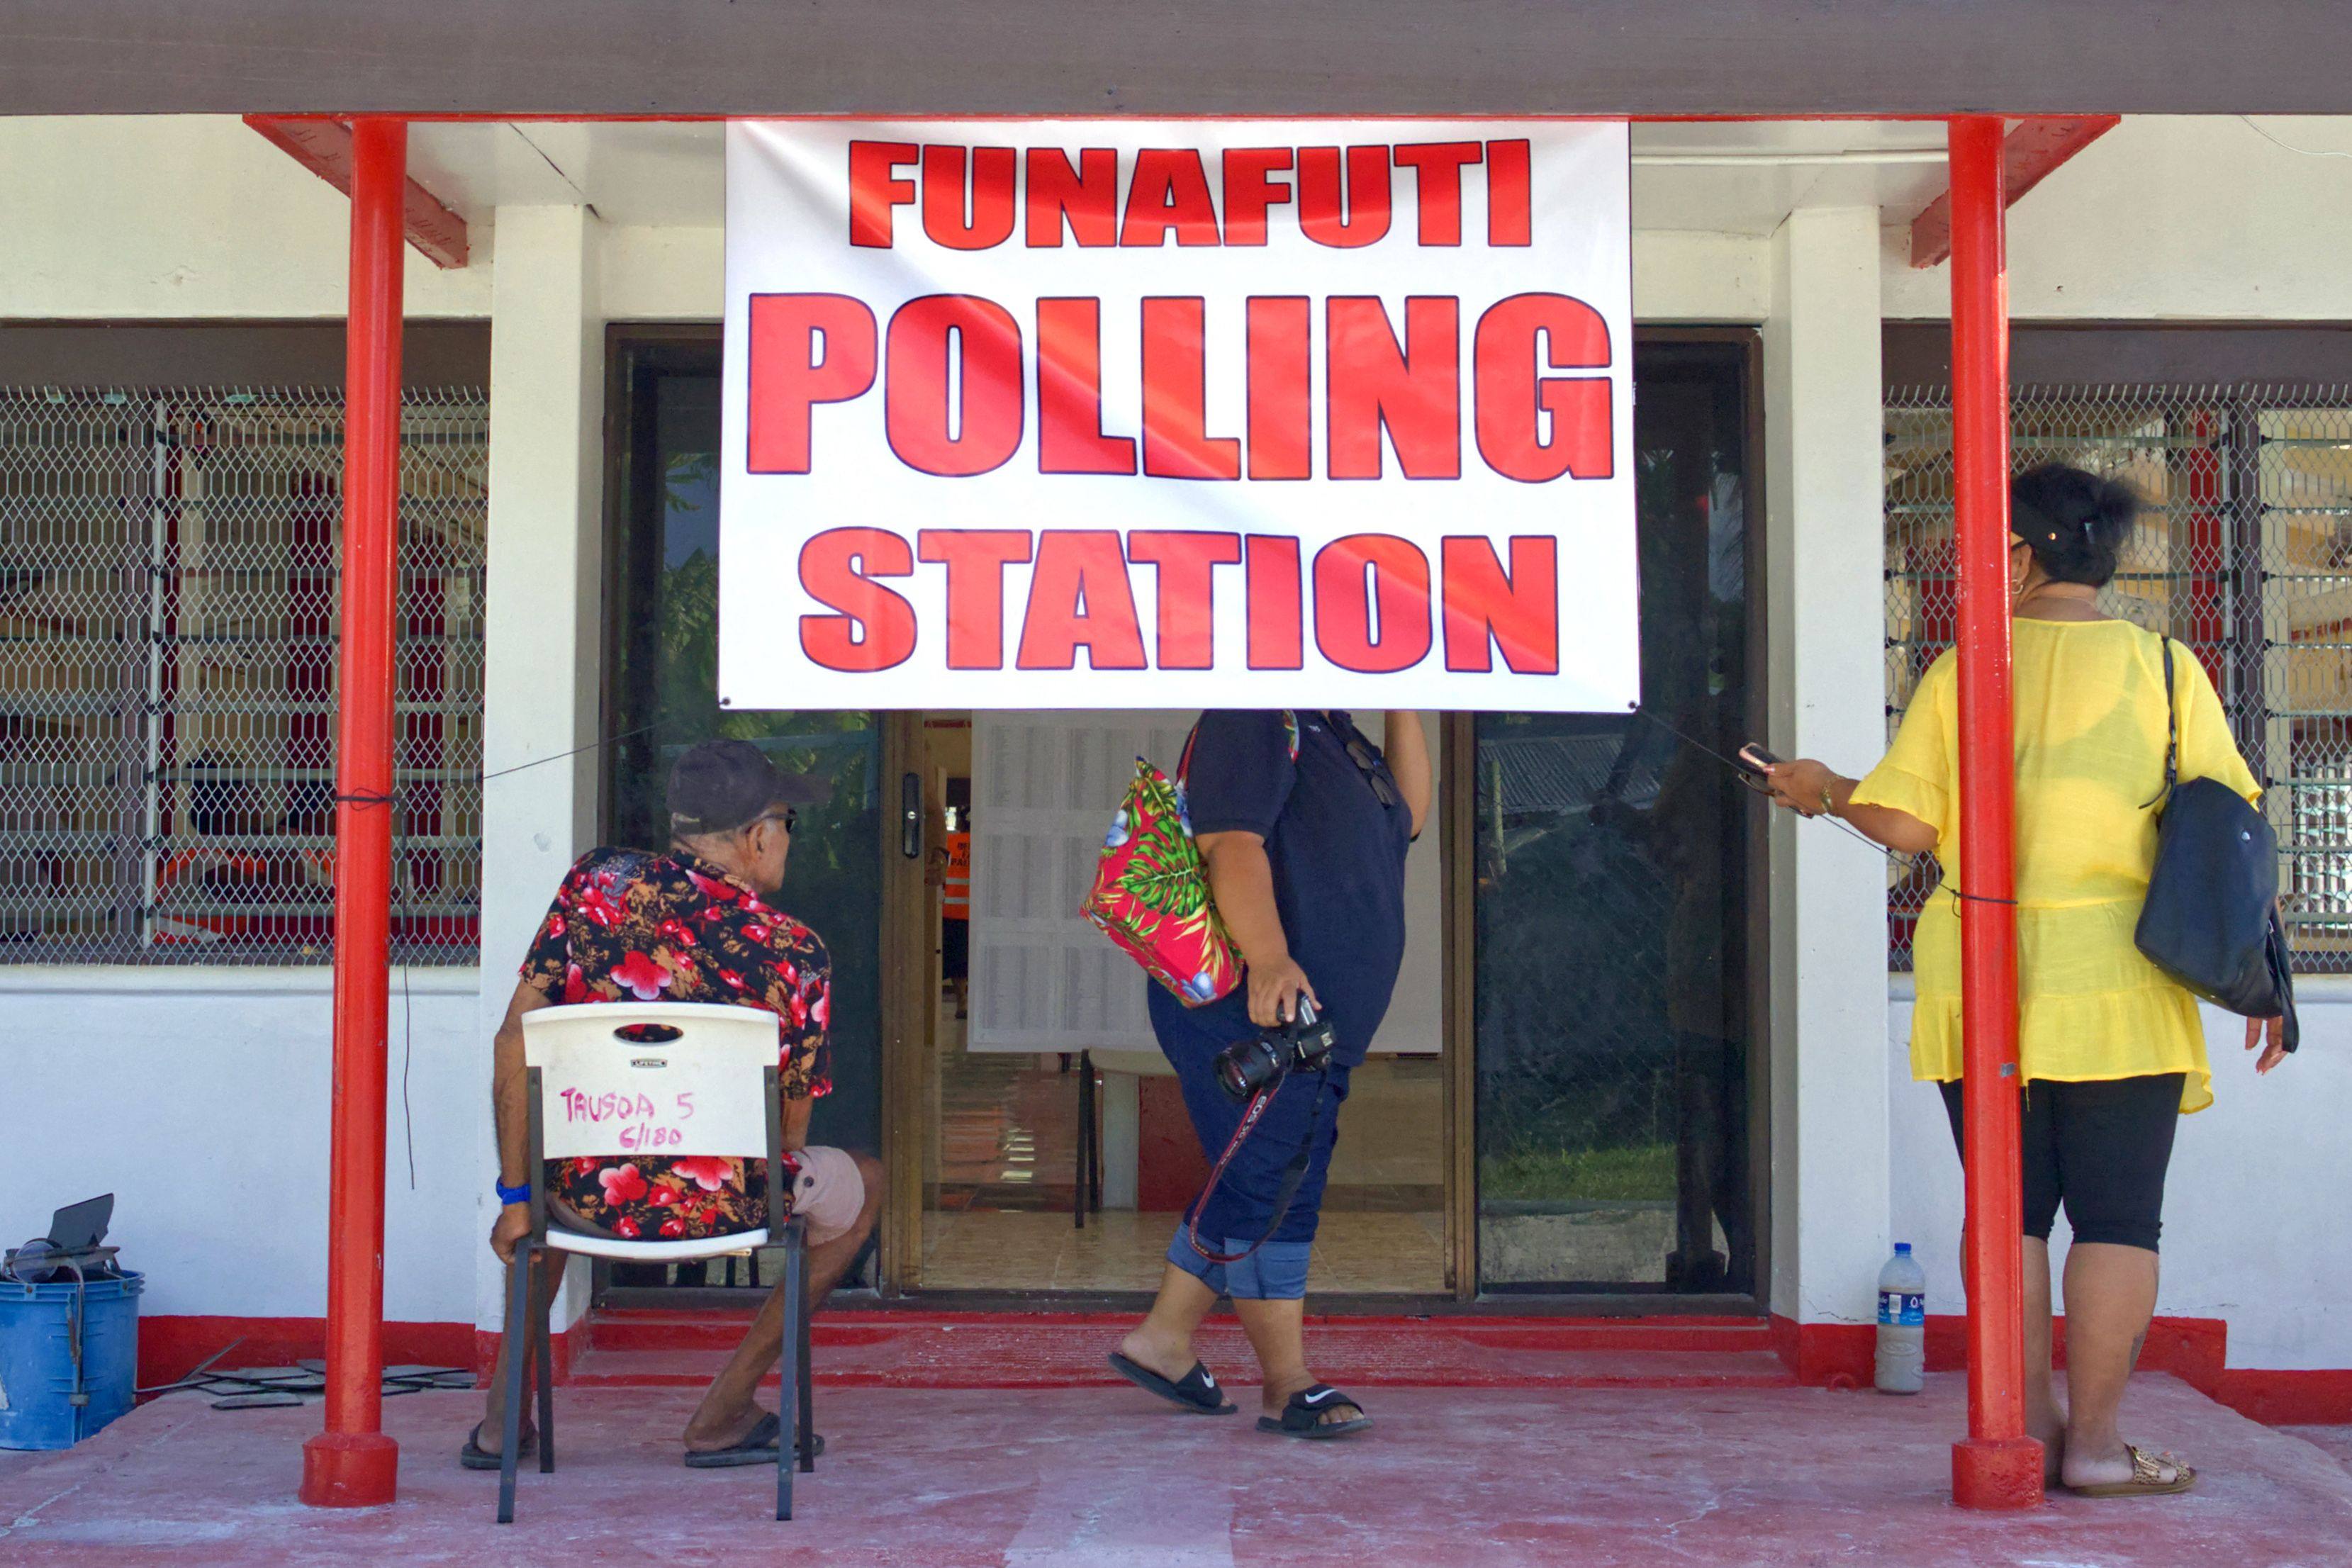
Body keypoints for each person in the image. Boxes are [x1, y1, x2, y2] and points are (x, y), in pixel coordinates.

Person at [1763, 464, 2290, 1498]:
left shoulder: (1972, 670)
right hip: (2128, 983)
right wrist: (2267, 980)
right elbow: (2233, 833)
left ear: (2019, 555)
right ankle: (2095, 1447)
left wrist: (1822, 790)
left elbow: (1909, 828)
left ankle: (2032, 1425)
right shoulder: (2171, 670)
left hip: (1989, 976)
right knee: (2119, 1220)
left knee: (2010, 1214)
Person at [461, 739, 885, 1470]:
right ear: (759, 837)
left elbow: (513, 1039)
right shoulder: (795, 954)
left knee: (550, 1167)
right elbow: (785, 1134)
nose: (787, 839)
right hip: (725, 1206)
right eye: (788, 823)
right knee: (867, 1182)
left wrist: (516, 1194)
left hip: (580, 1197)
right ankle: (722, 1413)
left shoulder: (596, 885)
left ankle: (503, 1423)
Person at [1109, 710, 1430, 1439]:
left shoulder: (1333, 731)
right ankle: (1287, 1383)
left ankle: (1162, 1341)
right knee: (1275, 1188)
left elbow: (1407, 819)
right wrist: (1270, 956)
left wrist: (1407, 701)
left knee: (1258, 1176)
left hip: (1313, 1030)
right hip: (1256, 1012)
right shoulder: (1253, 711)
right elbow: (1231, 842)